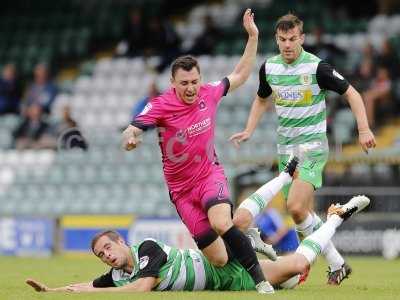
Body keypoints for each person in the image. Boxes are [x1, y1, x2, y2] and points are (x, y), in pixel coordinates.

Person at [122, 9, 284, 293]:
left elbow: (241, 74)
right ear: (173, 84)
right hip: (182, 192)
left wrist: (253, 37)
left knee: (222, 222)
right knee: (220, 258)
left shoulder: (209, 92)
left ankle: (261, 280)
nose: (191, 88)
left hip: (209, 174)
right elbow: (132, 128)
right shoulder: (161, 105)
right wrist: (131, 138)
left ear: (200, 79)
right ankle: (248, 239)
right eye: (184, 83)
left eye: (194, 82)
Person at [229, 13, 376, 285]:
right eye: (282, 39)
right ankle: (337, 263)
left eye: (293, 39)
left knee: (295, 207)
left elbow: (352, 94)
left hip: (313, 147)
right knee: (301, 214)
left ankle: (329, 235)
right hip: (286, 151)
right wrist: (249, 129)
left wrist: (364, 129)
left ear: (302, 38)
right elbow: (261, 100)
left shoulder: (317, 68)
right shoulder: (269, 68)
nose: (287, 44)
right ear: (276, 39)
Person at [26, 195, 370, 293]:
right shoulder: (116, 277)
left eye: (108, 248)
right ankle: (261, 246)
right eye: (102, 255)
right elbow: (87, 284)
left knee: (297, 265)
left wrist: (91, 293)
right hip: (225, 280)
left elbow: (144, 287)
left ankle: (336, 217)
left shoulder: (146, 249)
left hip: (224, 266)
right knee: (293, 273)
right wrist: (52, 291)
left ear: (121, 241)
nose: (107, 257)